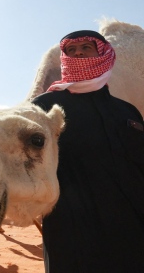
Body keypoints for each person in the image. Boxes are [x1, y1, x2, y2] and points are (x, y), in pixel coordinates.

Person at [32, 29, 144, 273]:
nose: (78, 52)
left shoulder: (127, 112)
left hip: (131, 235)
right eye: (71, 50)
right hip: (71, 237)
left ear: (103, 54)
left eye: (86, 47)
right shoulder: (43, 108)